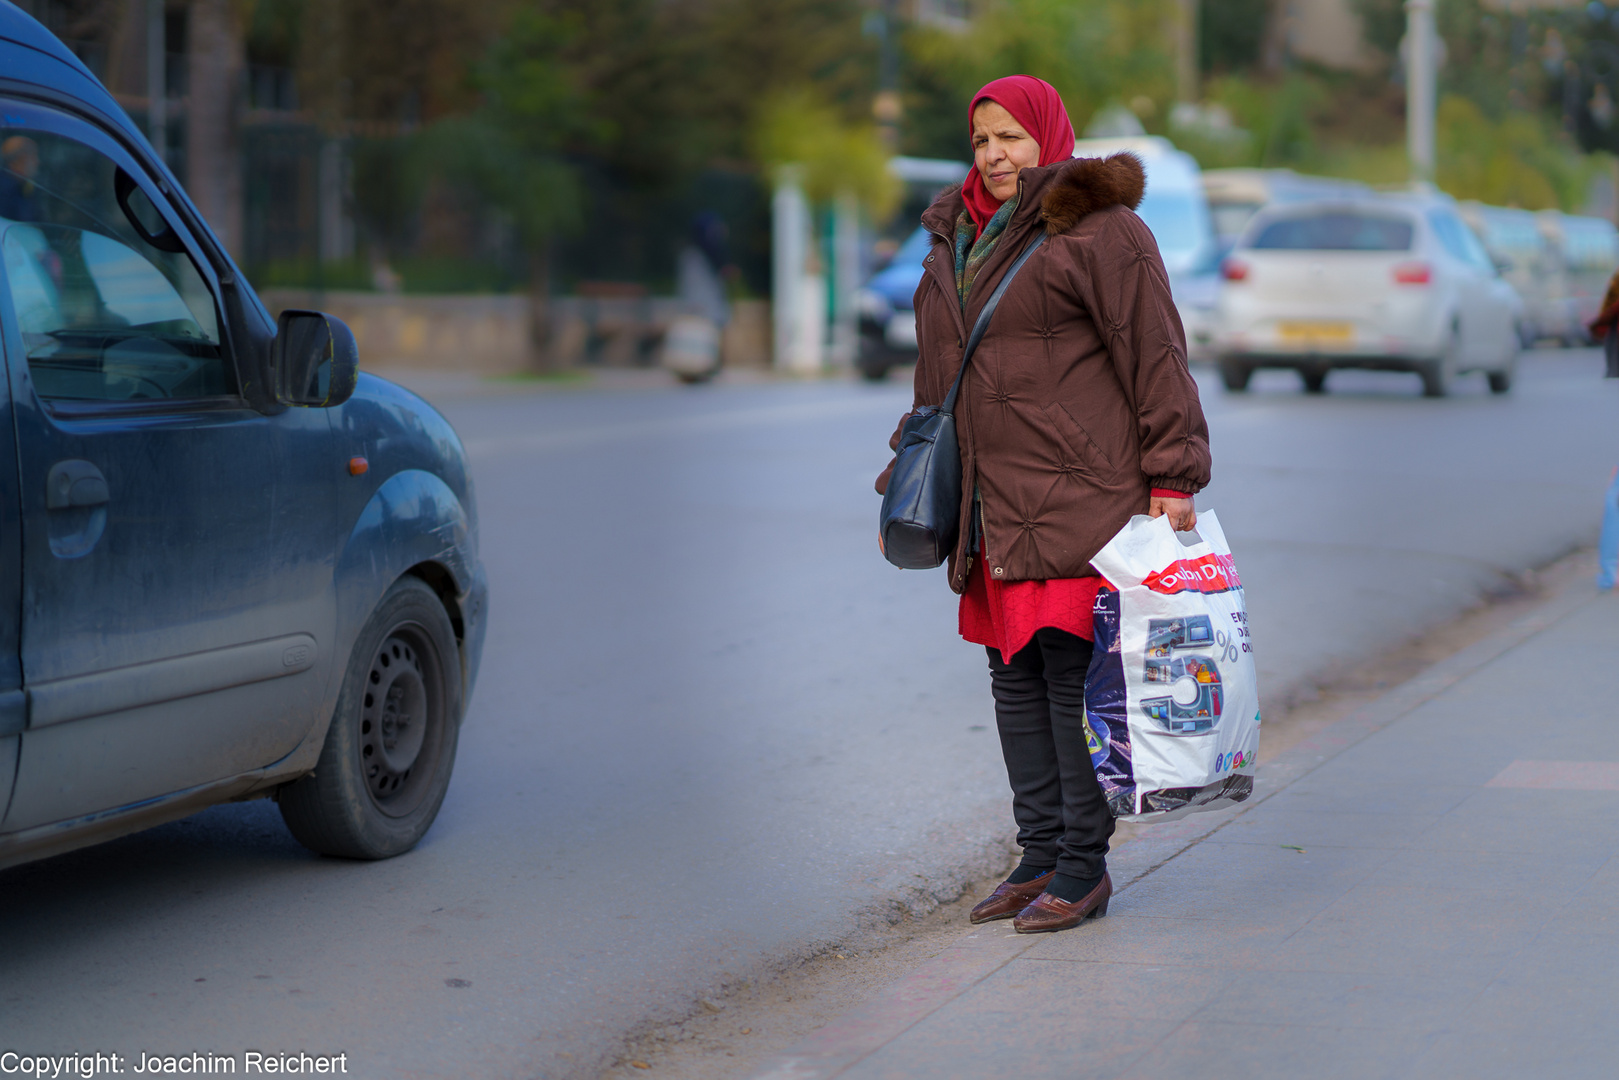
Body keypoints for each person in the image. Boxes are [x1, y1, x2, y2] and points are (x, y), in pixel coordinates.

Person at [875, 76, 1211, 933]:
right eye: (982, 140)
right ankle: (1036, 854)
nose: (993, 157)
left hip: (1078, 491)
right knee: (1010, 677)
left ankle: (1082, 867)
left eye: (1011, 139)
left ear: (1049, 139)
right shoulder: (952, 236)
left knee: (1067, 679)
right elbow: (937, 375)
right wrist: (912, 463)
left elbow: (1156, 353)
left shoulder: (1104, 232)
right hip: (991, 494)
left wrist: (1173, 472)